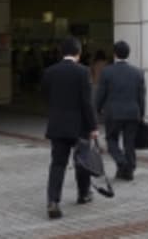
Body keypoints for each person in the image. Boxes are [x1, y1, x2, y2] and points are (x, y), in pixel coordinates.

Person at [42, 37, 99, 220]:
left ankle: (53, 201)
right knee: (82, 161)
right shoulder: (83, 72)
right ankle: (83, 194)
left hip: (57, 125)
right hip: (79, 126)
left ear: (61, 52)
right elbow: (87, 103)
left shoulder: (50, 72)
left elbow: (45, 95)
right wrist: (93, 126)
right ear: (78, 53)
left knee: (57, 164)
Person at [95, 41, 145, 181]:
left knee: (111, 140)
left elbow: (101, 94)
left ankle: (123, 163)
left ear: (115, 54)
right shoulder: (138, 72)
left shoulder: (107, 71)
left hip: (113, 113)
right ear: (128, 53)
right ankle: (128, 170)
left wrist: (97, 109)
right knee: (129, 143)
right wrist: (141, 113)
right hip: (132, 113)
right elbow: (141, 96)